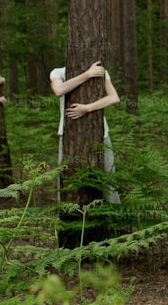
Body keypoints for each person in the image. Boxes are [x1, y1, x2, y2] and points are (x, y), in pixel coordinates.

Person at [50, 61, 121, 204]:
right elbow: (59, 90)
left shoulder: (101, 72)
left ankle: (114, 216)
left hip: (101, 133)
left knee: (108, 176)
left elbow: (114, 97)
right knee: (67, 175)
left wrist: (87, 108)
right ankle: (65, 216)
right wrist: (88, 74)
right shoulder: (58, 72)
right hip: (68, 135)